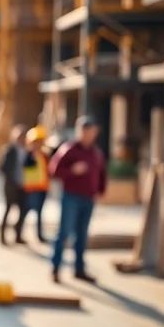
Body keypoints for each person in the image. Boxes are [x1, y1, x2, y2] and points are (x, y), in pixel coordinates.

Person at [49, 115, 106, 283]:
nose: (89, 134)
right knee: (64, 233)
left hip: (88, 198)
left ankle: (79, 269)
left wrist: (101, 190)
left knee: (82, 234)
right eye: (86, 131)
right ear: (80, 131)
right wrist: (72, 171)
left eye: (91, 131)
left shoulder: (96, 153)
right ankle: (56, 268)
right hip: (71, 197)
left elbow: (102, 173)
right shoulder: (69, 149)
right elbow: (54, 170)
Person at [0, 125, 28, 245]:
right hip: (11, 186)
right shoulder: (9, 150)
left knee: (23, 211)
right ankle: (2, 236)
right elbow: (3, 167)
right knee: (8, 210)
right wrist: (12, 179)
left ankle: (18, 234)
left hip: (24, 186)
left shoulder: (27, 151)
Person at [22, 126, 51, 242]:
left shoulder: (44, 155)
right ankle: (19, 231)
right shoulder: (28, 155)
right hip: (32, 188)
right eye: (36, 142)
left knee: (39, 213)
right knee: (27, 211)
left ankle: (39, 234)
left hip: (43, 187)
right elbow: (26, 166)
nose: (38, 144)